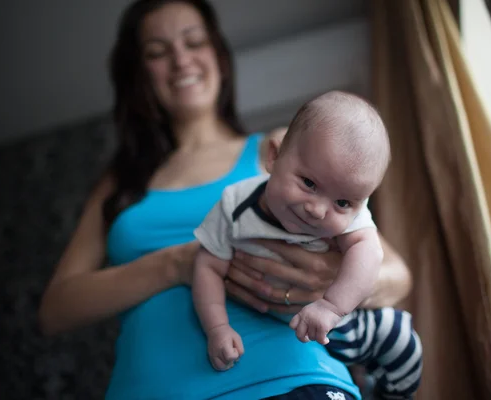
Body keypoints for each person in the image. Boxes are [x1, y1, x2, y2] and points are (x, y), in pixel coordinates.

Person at [38, 0, 414, 399]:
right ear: (139, 73)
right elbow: (55, 310)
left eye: (194, 42)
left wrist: (330, 284)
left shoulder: (284, 147)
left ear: (218, 54)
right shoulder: (119, 183)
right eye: (157, 52)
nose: (181, 60)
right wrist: (175, 264)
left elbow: (396, 274)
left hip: (292, 379)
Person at [192, 91, 422, 399]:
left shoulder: (353, 217)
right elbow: (207, 266)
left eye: (342, 202)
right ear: (274, 157)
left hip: (342, 325)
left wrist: (331, 307)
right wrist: (217, 328)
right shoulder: (235, 207)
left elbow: (370, 253)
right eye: (309, 184)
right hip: (279, 332)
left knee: (402, 340)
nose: (318, 210)